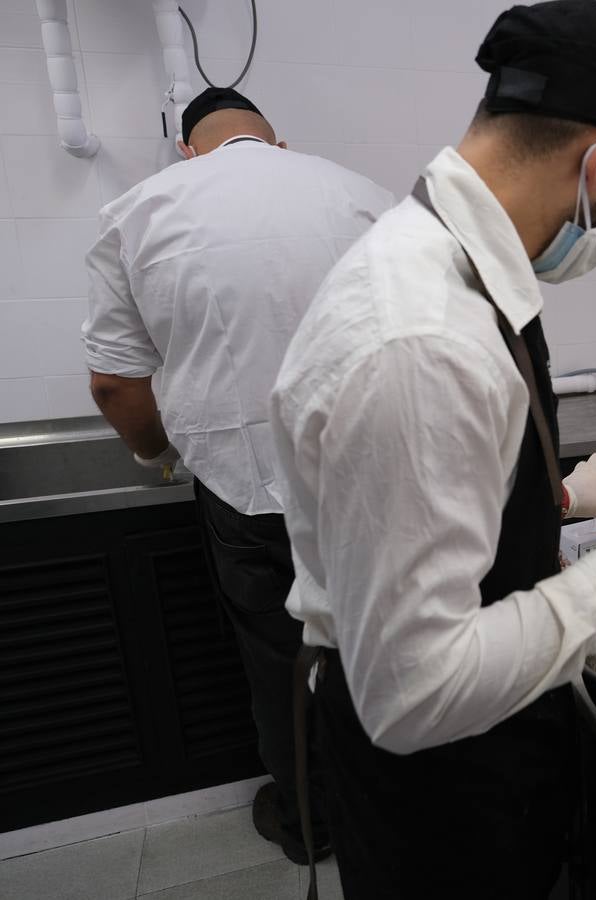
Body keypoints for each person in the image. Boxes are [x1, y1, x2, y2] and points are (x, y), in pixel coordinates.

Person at [269, 1, 596, 896]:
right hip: (436, 787)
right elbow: (416, 692)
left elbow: (414, 507)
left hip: (483, 750)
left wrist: (553, 498)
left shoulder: (444, 260)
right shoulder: (420, 342)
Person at [82, 87, 392, 865]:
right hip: (372, 485)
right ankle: (393, 815)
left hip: (244, 490)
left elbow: (115, 386)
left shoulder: (138, 211)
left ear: (188, 150)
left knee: (281, 662)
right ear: (277, 143)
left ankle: (310, 824)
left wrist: (159, 453)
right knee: (383, 648)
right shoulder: (365, 196)